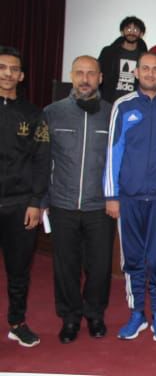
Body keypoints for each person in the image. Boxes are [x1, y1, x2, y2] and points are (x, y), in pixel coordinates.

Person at [104, 52, 156, 342]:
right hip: (129, 198)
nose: (150, 73)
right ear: (136, 73)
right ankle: (137, 313)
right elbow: (114, 151)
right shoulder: (122, 106)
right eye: (145, 68)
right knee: (134, 260)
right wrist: (111, 195)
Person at [44, 55, 114, 344]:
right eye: (79, 73)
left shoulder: (112, 113)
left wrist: (115, 196)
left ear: (100, 78)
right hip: (62, 203)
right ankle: (70, 317)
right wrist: (43, 200)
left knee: (99, 267)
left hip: (100, 206)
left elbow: (119, 160)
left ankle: (94, 314)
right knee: (66, 266)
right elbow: (41, 159)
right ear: (72, 76)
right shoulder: (52, 113)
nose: (85, 79)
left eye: (91, 73)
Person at [0, 45, 49, 348]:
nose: (7, 73)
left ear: (21, 76)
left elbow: (42, 160)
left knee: (19, 270)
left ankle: (17, 323)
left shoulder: (33, 114)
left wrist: (35, 202)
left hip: (20, 205)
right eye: (2, 67)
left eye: (13, 69)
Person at [98, 16, 148, 103]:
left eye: (135, 30)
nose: (131, 32)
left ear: (141, 34)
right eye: (128, 29)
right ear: (122, 32)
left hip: (134, 103)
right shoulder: (108, 52)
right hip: (108, 102)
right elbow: (98, 74)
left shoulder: (145, 57)